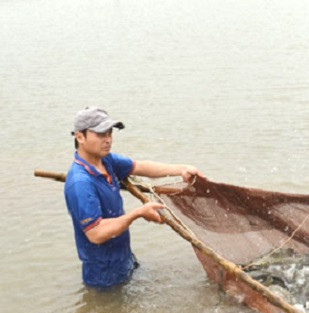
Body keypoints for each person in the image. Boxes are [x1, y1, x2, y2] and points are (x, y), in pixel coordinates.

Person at [64, 107, 204, 288]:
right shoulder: (80, 183)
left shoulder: (106, 161)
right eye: (100, 134)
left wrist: (181, 169)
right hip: (104, 276)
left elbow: (141, 167)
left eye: (109, 133)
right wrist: (137, 214)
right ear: (80, 137)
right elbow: (96, 234)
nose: (107, 139)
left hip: (124, 259)